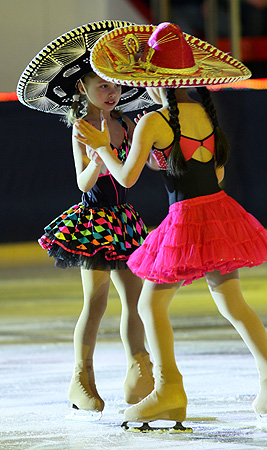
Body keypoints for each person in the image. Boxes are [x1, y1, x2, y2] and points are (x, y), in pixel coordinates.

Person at [75, 22, 267, 425]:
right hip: (221, 212)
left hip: (188, 219)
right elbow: (217, 174)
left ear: (149, 79)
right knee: (233, 304)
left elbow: (125, 178)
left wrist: (102, 149)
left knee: (149, 303)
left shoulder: (153, 122)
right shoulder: (203, 113)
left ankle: (169, 390)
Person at [16, 21, 155, 416]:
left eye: (116, 85)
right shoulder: (81, 128)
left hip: (125, 221)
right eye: (102, 86)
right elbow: (82, 182)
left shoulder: (126, 124)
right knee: (95, 302)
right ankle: (82, 379)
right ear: (83, 88)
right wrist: (97, 158)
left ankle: (139, 371)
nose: (111, 94)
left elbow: (132, 169)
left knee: (136, 298)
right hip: (92, 222)